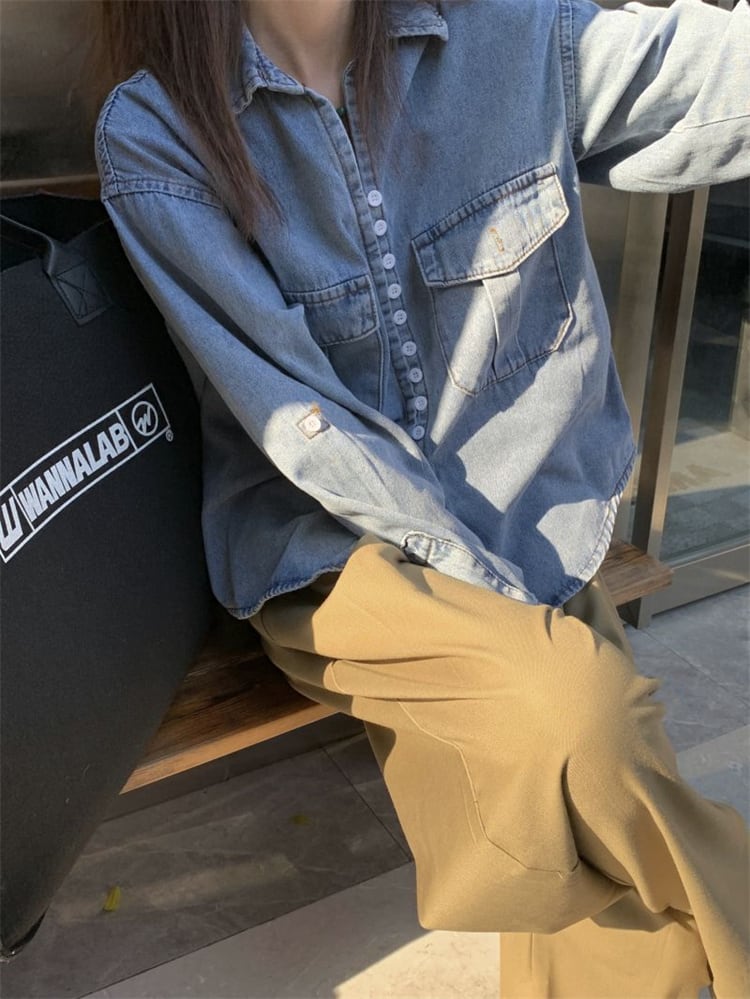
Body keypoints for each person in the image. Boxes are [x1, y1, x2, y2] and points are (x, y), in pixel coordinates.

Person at [93, 1, 749, 995]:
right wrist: (505, 601)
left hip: (525, 515)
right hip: (332, 548)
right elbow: (304, 425)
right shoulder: (159, 134)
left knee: (570, 816)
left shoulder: (513, 40)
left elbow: (705, 77)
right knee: (581, 714)